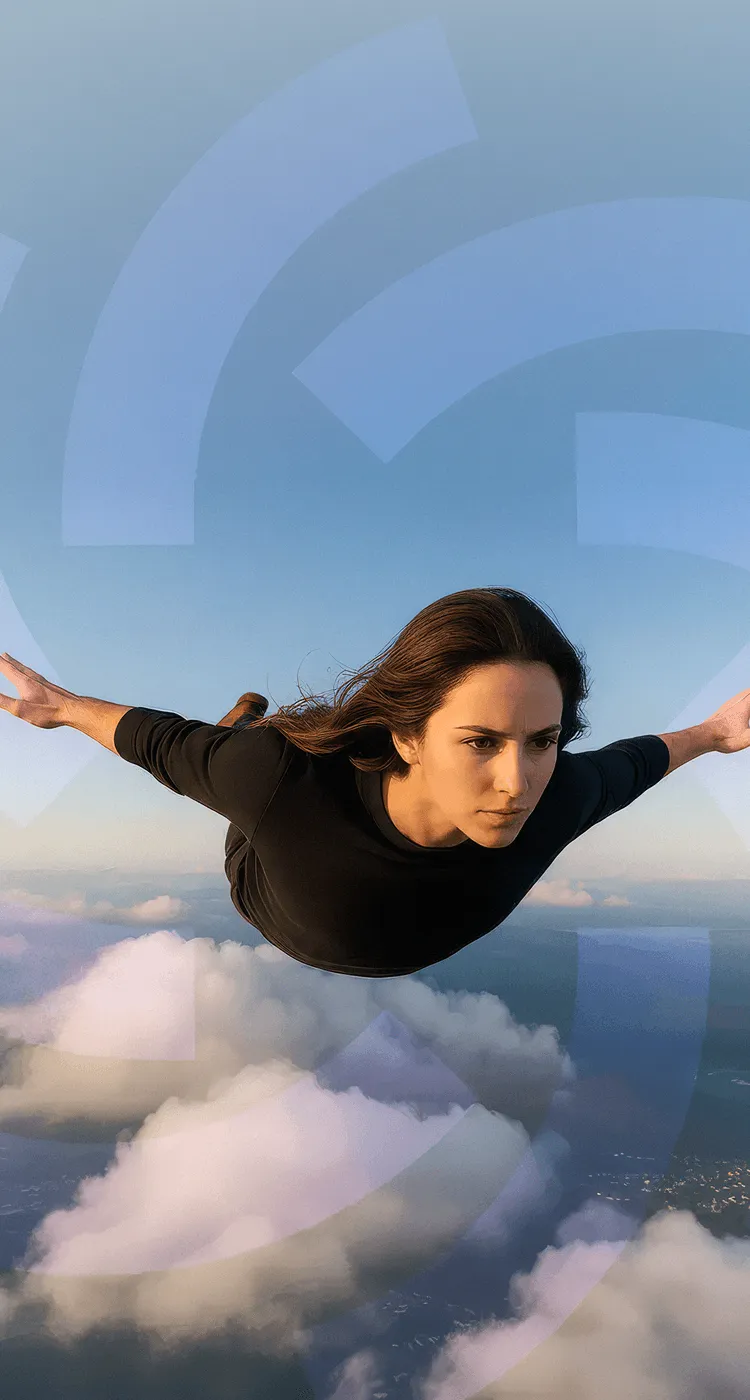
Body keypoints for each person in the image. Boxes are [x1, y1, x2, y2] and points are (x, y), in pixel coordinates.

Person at [2, 586, 749, 979]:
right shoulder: (285, 784)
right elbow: (160, 742)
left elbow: (635, 763)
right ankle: (244, 722)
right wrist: (60, 708)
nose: (516, 783)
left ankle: (244, 722)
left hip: (319, 853)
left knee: (241, 760)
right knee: (237, 758)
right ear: (407, 736)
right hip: (265, 876)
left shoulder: (562, 794)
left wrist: (716, 734)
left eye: (542, 740)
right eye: (480, 742)